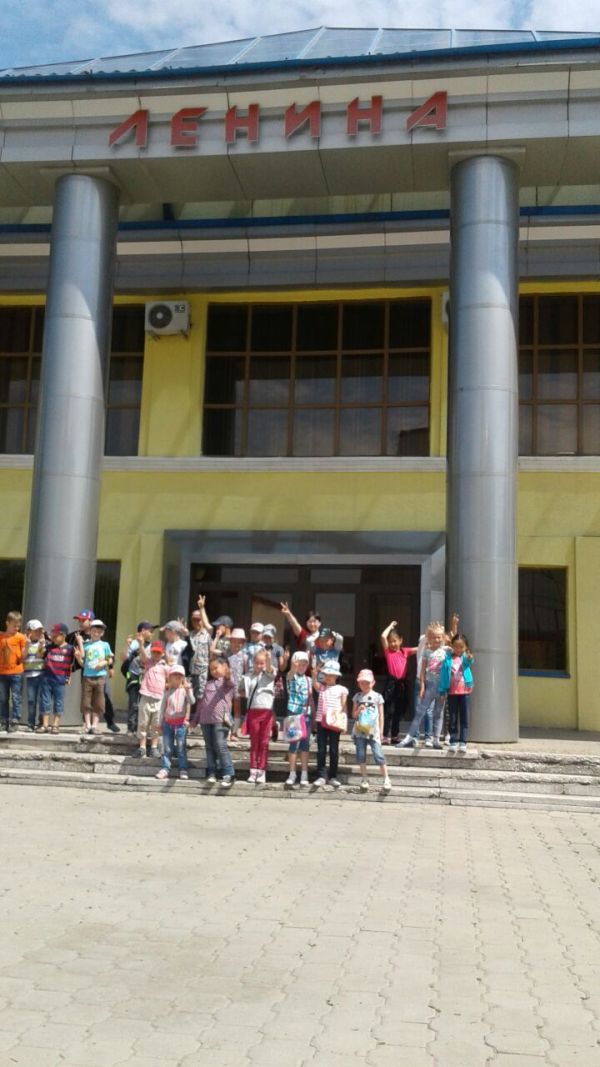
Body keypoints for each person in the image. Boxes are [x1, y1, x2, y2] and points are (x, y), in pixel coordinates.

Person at [397, 623, 448, 749]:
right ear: (429, 638)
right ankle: (409, 736)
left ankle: (436, 739)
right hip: (429, 685)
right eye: (434, 637)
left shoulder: (446, 651)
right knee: (420, 711)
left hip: (441, 687)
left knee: (438, 713)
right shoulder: (426, 652)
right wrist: (422, 686)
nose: (437, 639)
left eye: (439, 637)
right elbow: (423, 671)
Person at [69, 610, 120, 732]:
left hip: (101, 673)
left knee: (103, 697)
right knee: (86, 699)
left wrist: (110, 666)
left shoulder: (102, 640)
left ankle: (108, 721)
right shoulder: (76, 636)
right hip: (86, 671)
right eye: (79, 620)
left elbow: (109, 655)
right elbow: (76, 654)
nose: (80, 622)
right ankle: (87, 724)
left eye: (83, 620)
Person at [191, 656, 236, 786]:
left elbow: (230, 681)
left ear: (224, 667)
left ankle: (228, 773)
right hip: (205, 720)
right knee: (209, 747)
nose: (213, 671)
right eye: (211, 669)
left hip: (220, 720)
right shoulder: (207, 684)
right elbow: (201, 704)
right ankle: (212, 772)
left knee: (220, 745)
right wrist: (195, 720)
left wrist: (228, 674)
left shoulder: (226, 683)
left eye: (216, 668)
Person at [236, 648, 276, 785]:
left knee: (264, 742)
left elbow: (270, 669)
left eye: (262, 663)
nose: (259, 665)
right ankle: (253, 771)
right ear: (253, 663)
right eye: (257, 663)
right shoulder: (248, 676)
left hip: (266, 712)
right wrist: (243, 691)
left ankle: (262, 771)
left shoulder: (269, 674)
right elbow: (240, 690)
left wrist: (268, 659)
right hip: (253, 711)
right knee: (255, 742)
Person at [351, 668, 391, 793]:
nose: (364, 685)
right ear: (358, 683)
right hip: (360, 730)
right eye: (362, 682)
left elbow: (381, 715)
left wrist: (381, 732)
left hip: (374, 731)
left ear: (373, 683)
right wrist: (359, 710)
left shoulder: (377, 697)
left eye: (367, 682)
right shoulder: (357, 697)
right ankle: (364, 778)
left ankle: (386, 778)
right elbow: (353, 715)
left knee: (378, 754)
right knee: (361, 754)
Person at [312, 659, 348, 789]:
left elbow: (344, 707)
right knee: (321, 749)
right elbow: (314, 683)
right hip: (321, 722)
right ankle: (321, 776)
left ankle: (333, 776)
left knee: (333, 750)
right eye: (326, 674)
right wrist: (315, 674)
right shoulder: (321, 687)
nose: (327, 677)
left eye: (331, 675)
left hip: (335, 722)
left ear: (336, 676)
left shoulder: (342, 689)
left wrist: (344, 723)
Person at [380, 621, 417, 744]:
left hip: (402, 685)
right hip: (391, 684)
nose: (393, 644)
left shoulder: (404, 652)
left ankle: (395, 735)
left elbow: (419, 649)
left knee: (398, 711)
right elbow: (383, 636)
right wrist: (390, 626)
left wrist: (428, 640)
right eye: (391, 641)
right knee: (388, 711)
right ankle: (385, 735)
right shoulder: (388, 652)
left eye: (395, 641)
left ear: (401, 640)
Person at [75, 620, 113, 735]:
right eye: (94, 631)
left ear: (102, 633)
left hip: (100, 677)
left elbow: (110, 659)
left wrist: (104, 663)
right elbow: (83, 663)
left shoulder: (105, 645)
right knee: (86, 702)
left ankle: (95, 726)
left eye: (99, 632)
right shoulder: (86, 645)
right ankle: (87, 725)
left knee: (98, 702)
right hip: (87, 677)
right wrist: (78, 658)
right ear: (90, 631)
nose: (96, 633)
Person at [155, 665, 193, 781]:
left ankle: (183, 769)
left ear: (183, 677)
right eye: (174, 674)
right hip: (167, 724)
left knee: (181, 748)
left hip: (181, 725)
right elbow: (162, 708)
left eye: (180, 675)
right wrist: (159, 723)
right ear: (170, 677)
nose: (177, 676)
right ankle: (165, 768)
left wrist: (188, 690)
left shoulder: (185, 691)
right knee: (167, 748)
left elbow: (192, 701)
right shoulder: (167, 691)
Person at [439, 634, 474, 754]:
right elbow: (444, 675)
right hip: (452, 693)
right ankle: (453, 741)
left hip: (464, 692)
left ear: (465, 647)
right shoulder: (448, 659)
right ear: (452, 646)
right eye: (456, 646)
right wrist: (442, 690)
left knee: (464, 717)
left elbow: (469, 661)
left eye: (461, 647)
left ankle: (463, 742)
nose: (458, 649)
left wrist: (469, 657)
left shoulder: (465, 658)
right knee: (452, 717)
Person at [284, 650, 313, 789]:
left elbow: (310, 698)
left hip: (306, 714)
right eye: (299, 664)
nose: (301, 667)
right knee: (293, 744)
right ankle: (292, 773)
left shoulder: (309, 680)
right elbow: (290, 675)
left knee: (305, 745)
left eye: (304, 664)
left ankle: (304, 774)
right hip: (293, 713)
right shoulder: (291, 677)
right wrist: (293, 668)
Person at [38, 623, 75, 732]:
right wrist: (41, 645)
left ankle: (55, 725)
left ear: (63, 635)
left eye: (55, 636)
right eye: (52, 635)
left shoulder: (70, 649)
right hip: (46, 678)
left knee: (58, 702)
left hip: (60, 680)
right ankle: (45, 725)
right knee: (45, 701)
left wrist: (69, 676)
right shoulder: (49, 647)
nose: (53, 638)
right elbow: (39, 655)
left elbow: (73, 664)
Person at [121, 621, 157, 734]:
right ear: (143, 631)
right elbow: (123, 658)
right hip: (134, 676)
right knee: (133, 703)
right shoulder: (133, 643)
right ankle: (130, 728)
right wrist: (127, 645)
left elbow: (146, 660)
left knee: (144, 704)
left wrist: (141, 645)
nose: (152, 634)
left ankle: (141, 728)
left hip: (146, 678)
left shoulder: (151, 645)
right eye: (150, 631)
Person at [137, 639, 170, 758]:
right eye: (154, 652)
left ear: (163, 653)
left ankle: (154, 747)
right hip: (146, 696)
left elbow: (170, 679)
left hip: (159, 698)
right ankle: (142, 747)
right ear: (151, 652)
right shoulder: (148, 662)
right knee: (143, 722)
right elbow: (143, 656)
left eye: (158, 652)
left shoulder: (165, 667)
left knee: (156, 724)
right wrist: (141, 645)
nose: (156, 654)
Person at [0, 611, 29, 732]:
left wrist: (27, 646)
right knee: (2, 698)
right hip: (2, 673)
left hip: (16, 672)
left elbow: (23, 657)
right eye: (14, 626)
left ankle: (15, 720)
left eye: (18, 626)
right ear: (7, 623)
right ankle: (3, 720)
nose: (16, 628)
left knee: (16, 697)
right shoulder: (1, 637)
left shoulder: (20, 637)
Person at [182, 595, 213, 700]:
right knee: (188, 697)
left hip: (202, 671)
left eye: (198, 620)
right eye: (194, 620)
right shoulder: (189, 634)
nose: (196, 622)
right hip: (190, 671)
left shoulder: (207, 634)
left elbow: (208, 625)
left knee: (201, 697)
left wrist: (202, 608)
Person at [23, 619, 46, 730]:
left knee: (42, 700)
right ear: (28, 631)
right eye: (35, 630)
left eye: (40, 631)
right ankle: (30, 723)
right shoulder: (24, 642)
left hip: (41, 675)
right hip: (30, 676)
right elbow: (23, 656)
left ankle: (41, 722)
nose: (38, 633)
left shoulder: (42, 643)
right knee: (31, 700)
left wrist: (41, 645)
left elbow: (39, 656)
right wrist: (27, 645)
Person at [227, 628, 247, 737]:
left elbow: (246, 673)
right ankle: (227, 731)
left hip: (238, 685)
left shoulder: (244, 656)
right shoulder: (226, 654)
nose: (237, 644)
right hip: (226, 685)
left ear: (243, 643)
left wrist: (244, 686)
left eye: (240, 642)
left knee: (237, 708)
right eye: (234, 641)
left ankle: (234, 732)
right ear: (230, 641)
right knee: (226, 707)